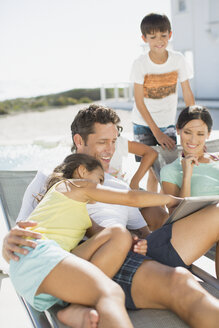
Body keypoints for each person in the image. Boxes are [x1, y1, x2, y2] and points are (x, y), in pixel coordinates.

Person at [3, 104, 219, 328]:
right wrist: (7, 243)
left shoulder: (113, 183)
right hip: (97, 263)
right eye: (103, 142)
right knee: (181, 284)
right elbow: (23, 237)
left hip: (135, 248)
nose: (111, 150)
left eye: (114, 141)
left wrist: (140, 237)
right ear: (79, 141)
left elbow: (143, 229)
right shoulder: (52, 179)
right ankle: (82, 303)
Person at [10, 152, 148, 328]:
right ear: (82, 171)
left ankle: (76, 308)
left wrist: (131, 240)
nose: (100, 186)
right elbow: (131, 198)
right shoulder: (68, 186)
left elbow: (105, 233)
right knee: (111, 293)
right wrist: (169, 199)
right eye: (99, 180)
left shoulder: (80, 212)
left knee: (119, 233)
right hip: (38, 256)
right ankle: (80, 305)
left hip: (51, 269)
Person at [130, 13, 195, 192]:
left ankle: (169, 209)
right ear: (145, 38)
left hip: (167, 124)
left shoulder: (178, 60)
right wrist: (156, 133)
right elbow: (139, 101)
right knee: (151, 169)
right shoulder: (140, 64)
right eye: (153, 37)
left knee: (168, 170)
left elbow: (188, 94)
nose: (159, 40)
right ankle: (153, 210)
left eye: (163, 36)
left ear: (170, 35)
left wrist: (193, 123)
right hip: (143, 124)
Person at [161, 105, 219, 198]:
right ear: (178, 129)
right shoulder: (170, 171)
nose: (193, 140)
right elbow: (177, 212)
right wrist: (186, 176)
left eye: (200, 134)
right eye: (187, 132)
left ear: (208, 134)